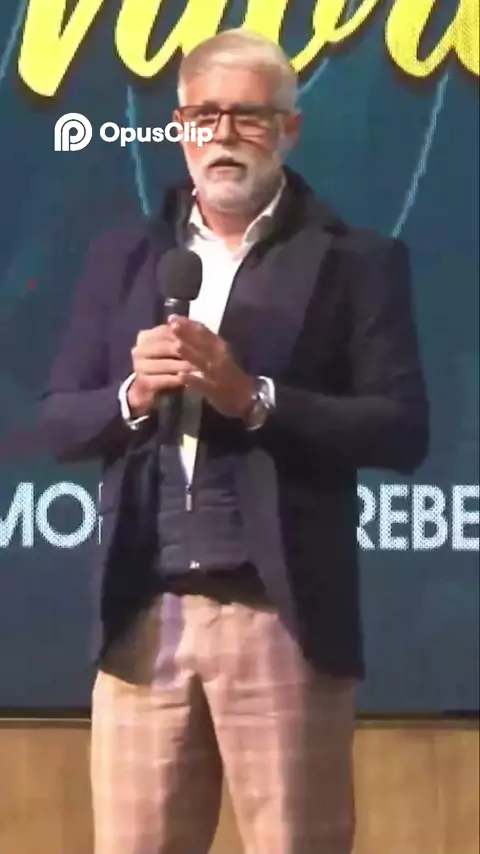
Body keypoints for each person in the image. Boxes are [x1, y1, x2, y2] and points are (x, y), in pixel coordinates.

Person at [38, 28, 429, 854]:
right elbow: (57, 419)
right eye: (205, 116)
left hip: (279, 617)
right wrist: (133, 393)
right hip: (143, 621)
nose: (224, 135)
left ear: (289, 129)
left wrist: (254, 400)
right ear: (180, 127)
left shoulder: (357, 261)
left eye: (249, 117)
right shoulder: (124, 257)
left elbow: (401, 428)